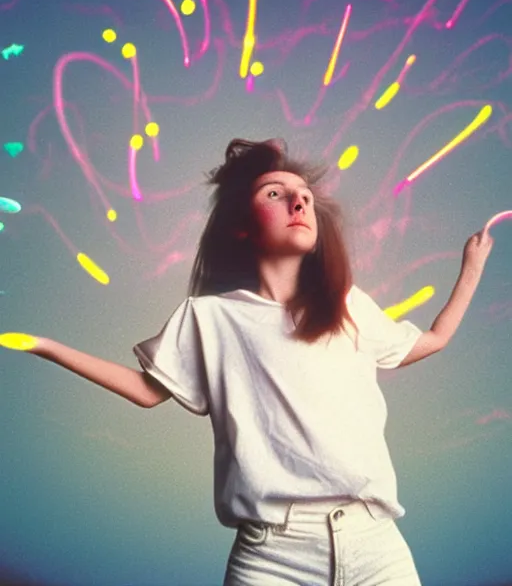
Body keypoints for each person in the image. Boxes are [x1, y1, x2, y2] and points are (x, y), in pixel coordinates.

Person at [21, 138, 493, 586]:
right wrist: (44, 345)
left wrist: (471, 268)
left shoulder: (347, 305)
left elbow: (431, 339)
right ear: (241, 225)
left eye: (305, 196)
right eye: (276, 193)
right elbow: (147, 391)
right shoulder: (209, 318)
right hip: (272, 555)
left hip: (374, 543)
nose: (299, 203)